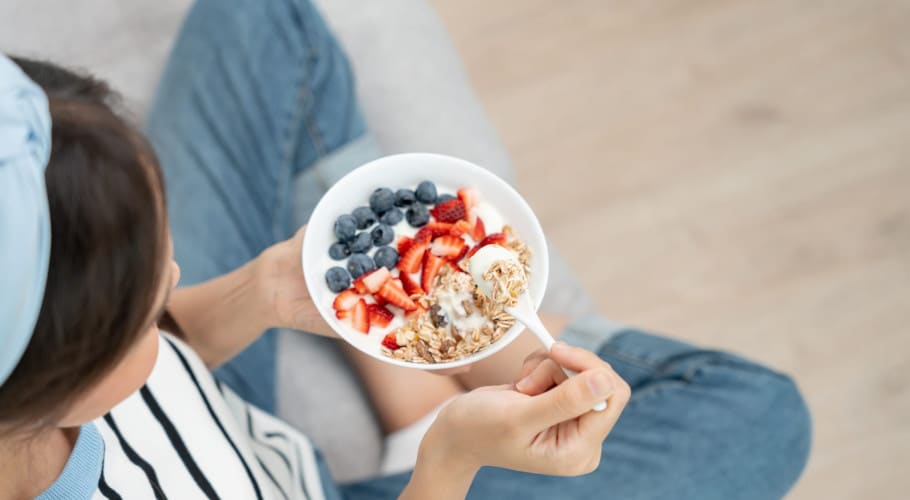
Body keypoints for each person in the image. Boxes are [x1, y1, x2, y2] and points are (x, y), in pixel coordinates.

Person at [0, 1, 810, 499]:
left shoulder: (49, 371)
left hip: (233, 428)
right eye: (147, 305)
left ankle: (431, 340)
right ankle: (429, 392)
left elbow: (163, 359)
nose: (176, 275)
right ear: (65, 381)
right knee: (758, 416)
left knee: (258, 15)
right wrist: (448, 457)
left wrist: (265, 290)